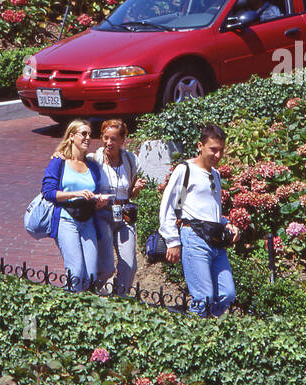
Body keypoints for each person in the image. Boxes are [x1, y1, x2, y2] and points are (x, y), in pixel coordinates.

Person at [159, 124, 238, 318]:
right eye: (213, 149)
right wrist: (173, 241)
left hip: (216, 241)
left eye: (221, 150)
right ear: (200, 146)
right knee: (203, 297)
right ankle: (195, 336)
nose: (217, 155)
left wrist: (226, 223)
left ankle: (211, 330)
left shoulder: (215, 175)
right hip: (194, 237)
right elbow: (171, 205)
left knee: (227, 294)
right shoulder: (186, 170)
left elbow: (210, 210)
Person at [40, 120, 109, 293]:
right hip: (66, 219)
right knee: (76, 272)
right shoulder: (59, 161)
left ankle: (85, 313)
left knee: (91, 274)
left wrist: (99, 201)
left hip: (87, 221)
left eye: (89, 134)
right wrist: (75, 194)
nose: (87, 138)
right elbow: (48, 192)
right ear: (71, 136)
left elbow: (95, 191)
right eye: (83, 133)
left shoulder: (92, 165)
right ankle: (69, 311)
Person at [90, 120, 147, 297]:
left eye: (114, 139)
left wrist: (135, 189)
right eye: (105, 138)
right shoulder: (94, 160)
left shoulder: (130, 160)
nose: (108, 143)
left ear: (123, 139)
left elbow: (130, 192)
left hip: (125, 215)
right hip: (102, 214)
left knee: (129, 265)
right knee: (106, 267)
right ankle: (92, 292)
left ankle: (119, 299)